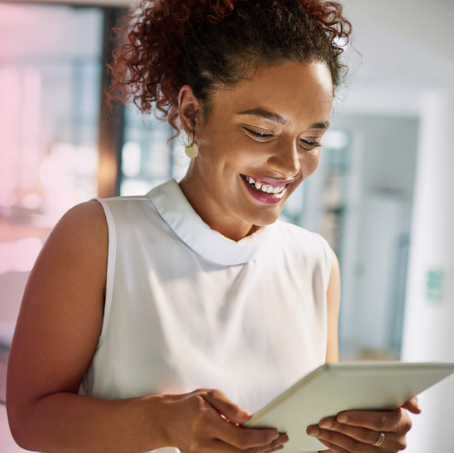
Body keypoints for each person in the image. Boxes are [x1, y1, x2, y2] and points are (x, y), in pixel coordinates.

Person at [6, 1, 420, 452]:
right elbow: (30, 419)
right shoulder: (100, 236)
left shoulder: (316, 262)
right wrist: (162, 422)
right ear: (191, 114)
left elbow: (313, 437)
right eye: (262, 131)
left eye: (310, 140)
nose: (289, 165)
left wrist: (359, 437)